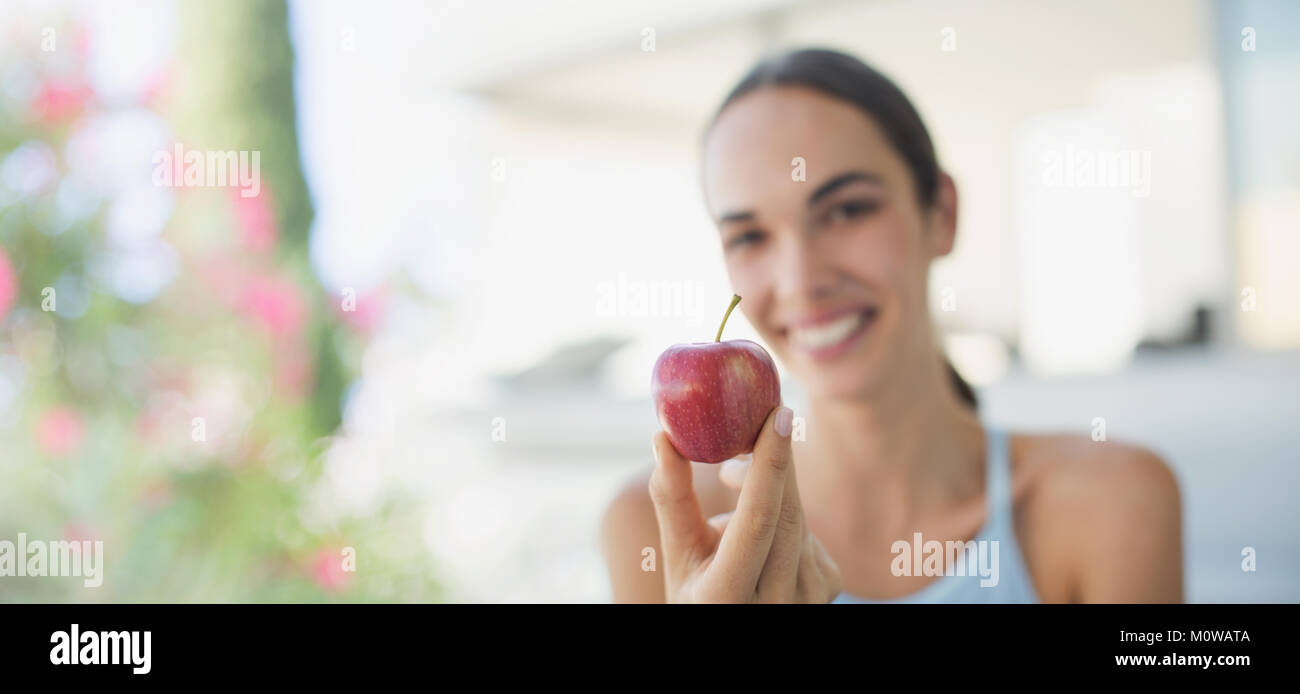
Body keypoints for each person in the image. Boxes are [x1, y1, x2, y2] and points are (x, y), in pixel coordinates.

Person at [600, 48, 1183, 603]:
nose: (800, 279)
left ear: (943, 214)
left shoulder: (1114, 501)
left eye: (847, 209)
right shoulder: (655, 528)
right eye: (750, 236)